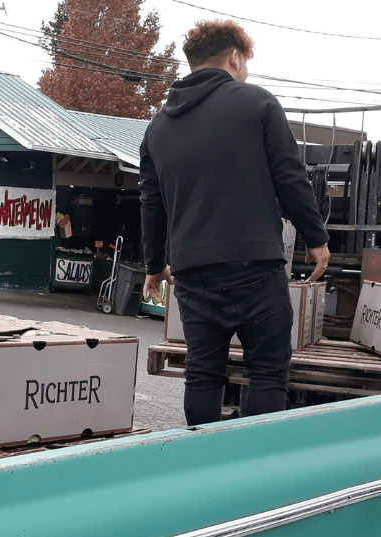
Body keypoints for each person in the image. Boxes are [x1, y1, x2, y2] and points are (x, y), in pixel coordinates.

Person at [139, 19, 330, 426]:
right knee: (267, 371)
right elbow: (289, 176)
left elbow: (151, 203)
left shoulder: (157, 127)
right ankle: (257, 458)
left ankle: (205, 457)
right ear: (235, 57)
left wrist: (154, 265)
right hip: (255, 266)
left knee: (203, 372)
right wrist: (316, 237)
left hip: (192, 273)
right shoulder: (257, 103)